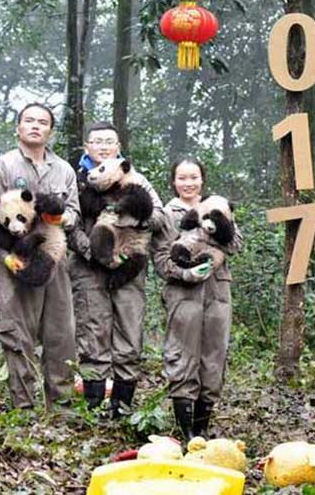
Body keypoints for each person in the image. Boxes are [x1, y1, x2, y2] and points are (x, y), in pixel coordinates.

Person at [0, 103, 80, 409]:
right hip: (17, 257)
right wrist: (7, 256)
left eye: (43, 122)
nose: (36, 126)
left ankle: (61, 405)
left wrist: (59, 217)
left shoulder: (63, 170)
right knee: (17, 331)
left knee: (61, 333)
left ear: (50, 130)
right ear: (18, 127)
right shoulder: (2, 167)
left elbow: (74, 212)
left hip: (54, 256)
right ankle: (22, 406)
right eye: (29, 120)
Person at [67, 121, 163, 417]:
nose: (104, 146)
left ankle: (121, 407)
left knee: (129, 333)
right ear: (87, 147)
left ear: (118, 147)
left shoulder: (135, 179)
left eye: (109, 141)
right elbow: (67, 222)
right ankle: (93, 408)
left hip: (128, 267)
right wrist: (93, 252)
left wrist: (130, 217)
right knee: (92, 332)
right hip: (88, 266)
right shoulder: (75, 179)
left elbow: (159, 217)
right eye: (97, 141)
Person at [151, 157, 242, 440]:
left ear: (202, 180)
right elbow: (161, 258)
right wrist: (186, 273)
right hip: (183, 293)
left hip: (218, 291)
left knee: (214, 355)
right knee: (183, 355)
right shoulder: (167, 214)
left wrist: (216, 242)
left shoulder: (218, 205)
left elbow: (236, 243)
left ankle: (203, 427)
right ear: (173, 181)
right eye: (182, 178)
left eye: (193, 177)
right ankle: (186, 430)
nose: (188, 183)